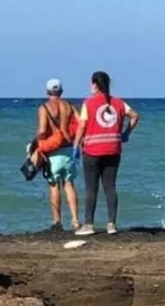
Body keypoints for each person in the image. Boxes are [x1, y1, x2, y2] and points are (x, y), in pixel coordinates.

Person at [72, 71, 140, 236]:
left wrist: (75, 146)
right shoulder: (118, 103)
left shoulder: (89, 103)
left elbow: (82, 126)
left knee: (91, 188)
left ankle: (88, 225)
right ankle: (111, 224)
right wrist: (126, 133)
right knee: (110, 187)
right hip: (113, 149)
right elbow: (135, 116)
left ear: (95, 84)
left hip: (92, 150)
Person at [33, 79, 81, 231]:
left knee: (54, 186)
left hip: (53, 151)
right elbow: (81, 123)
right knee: (69, 185)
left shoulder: (44, 108)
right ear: (61, 91)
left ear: (47, 91)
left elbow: (41, 131)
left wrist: (38, 146)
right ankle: (75, 220)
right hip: (68, 150)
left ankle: (57, 221)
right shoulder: (70, 105)